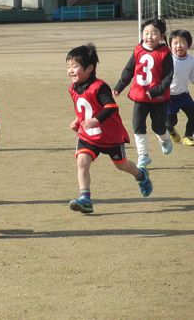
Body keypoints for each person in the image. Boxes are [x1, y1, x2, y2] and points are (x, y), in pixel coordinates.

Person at [67, 44, 153, 214]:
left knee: (122, 165)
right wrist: (78, 121)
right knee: (82, 162)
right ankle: (85, 199)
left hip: (110, 136)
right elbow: (82, 108)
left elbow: (111, 107)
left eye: (75, 66)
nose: (70, 70)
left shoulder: (100, 87)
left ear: (90, 68)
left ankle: (140, 175)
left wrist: (95, 120)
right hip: (88, 136)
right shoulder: (73, 88)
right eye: (68, 66)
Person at [113, 18, 174, 168]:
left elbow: (168, 77)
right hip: (140, 97)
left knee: (158, 127)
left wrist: (156, 91)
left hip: (158, 98)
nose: (149, 36)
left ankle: (164, 138)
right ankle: (143, 156)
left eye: (154, 33)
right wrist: (119, 86)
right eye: (146, 33)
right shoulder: (137, 50)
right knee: (138, 125)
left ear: (161, 36)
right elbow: (129, 71)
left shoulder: (165, 53)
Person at [165, 29, 194, 146]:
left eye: (182, 42)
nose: (179, 46)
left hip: (184, 95)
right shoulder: (167, 59)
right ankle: (171, 130)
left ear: (188, 44)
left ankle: (188, 136)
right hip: (169, 97)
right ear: (170, 45)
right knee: (171, 121)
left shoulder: (191, 60)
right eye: (175, 43)